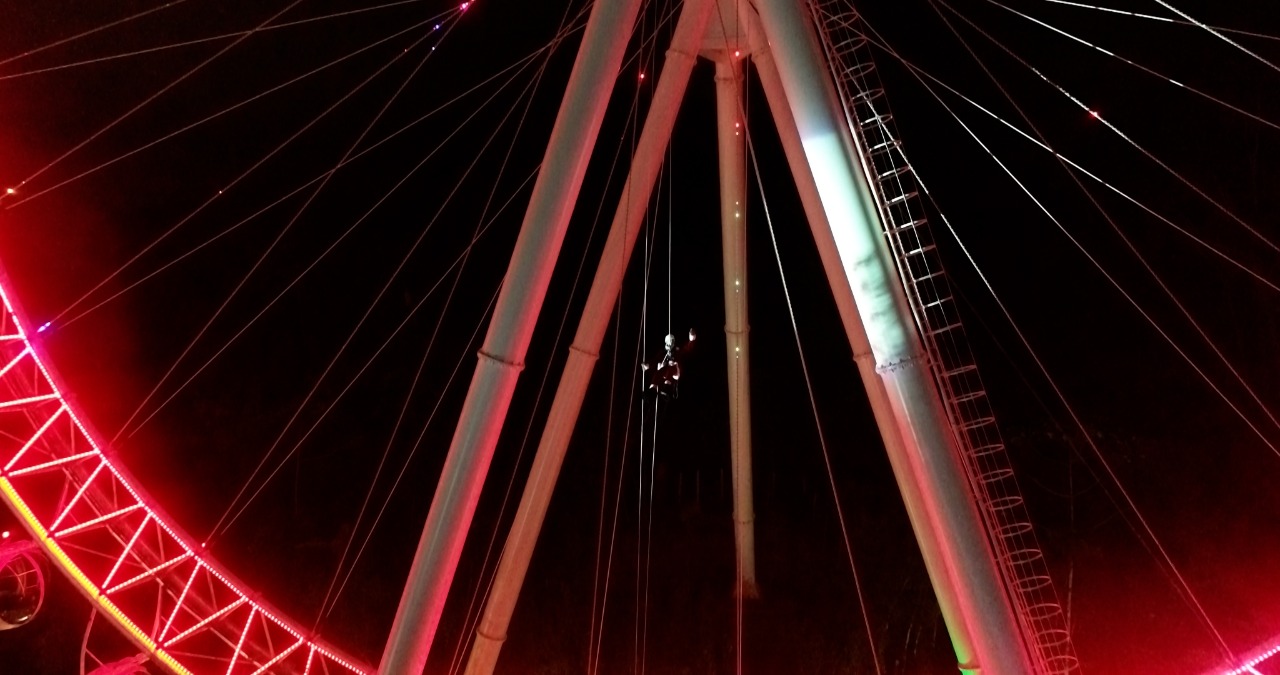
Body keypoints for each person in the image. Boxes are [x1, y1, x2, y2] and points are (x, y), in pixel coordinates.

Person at [642, 328, 696, 398]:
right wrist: (648, 365)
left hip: (674, 373)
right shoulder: (662, 352)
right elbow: (655, 360)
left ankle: (667, 388)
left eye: (671, 342)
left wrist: (691, 340)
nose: (669, 344)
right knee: (658, 372)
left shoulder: (677, 351)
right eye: (668, 342)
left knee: (670, 368)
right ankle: (652, 391)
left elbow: (686, 349)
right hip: (663, 372)